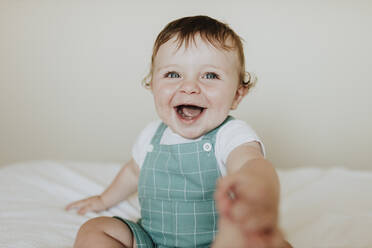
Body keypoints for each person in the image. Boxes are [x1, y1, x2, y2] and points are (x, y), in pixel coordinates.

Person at [66, 15, 292, 248]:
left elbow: (250, 163)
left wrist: (257, 186)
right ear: (152, 85)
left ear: (237, 95)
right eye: (173, 74)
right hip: (152, 240)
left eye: (210, 75)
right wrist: (104, 199)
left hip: (220, 242)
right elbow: (133, 173)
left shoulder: (230, 134)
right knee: (95, 229)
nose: (189, 86)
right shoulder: (151, 135)